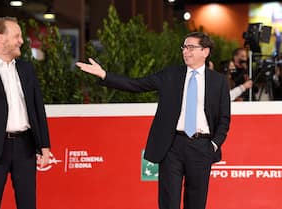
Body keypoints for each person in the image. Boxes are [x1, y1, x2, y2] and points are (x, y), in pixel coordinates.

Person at [76, 32, 230, 209]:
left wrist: (213, 145)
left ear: (205, 51)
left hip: (201, 147)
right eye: (184, 47)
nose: (186, 52)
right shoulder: (170, 74)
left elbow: (224, 119)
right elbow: (136, 84)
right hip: (172, 146)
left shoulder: (218, 82)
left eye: (191, 47)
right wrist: (104, 75)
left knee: (196, 203)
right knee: (168, 202)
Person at [0, 17, 51, 209]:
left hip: (26, 146)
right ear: (1, 38)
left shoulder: (27, 69)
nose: (21, 41)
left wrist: (44, 145)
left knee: (28, 204)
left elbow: (38, 108)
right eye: (17, 36)